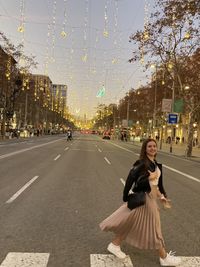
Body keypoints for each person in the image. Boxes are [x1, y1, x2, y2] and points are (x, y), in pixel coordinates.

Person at [99, 138, 181, 266]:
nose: (153, 148)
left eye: (154, 146)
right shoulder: (141, 163)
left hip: (151, 198)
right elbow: (132, 180)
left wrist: (162, 196)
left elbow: (157, 184)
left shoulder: (156, 164)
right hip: (145, 199)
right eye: (149, 146)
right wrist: (147, 178)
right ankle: (164, 257)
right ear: (145, 149)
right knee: (155, 228)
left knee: (131, 222)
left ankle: (115, 244)